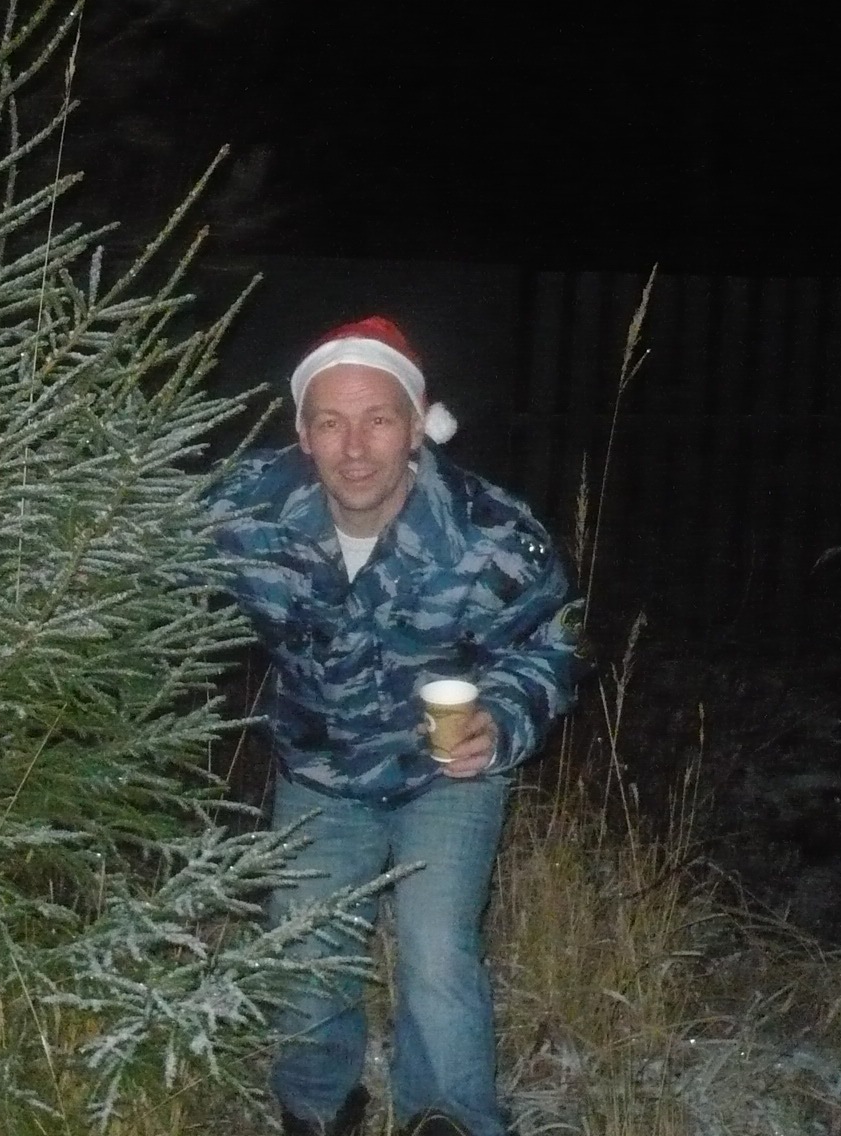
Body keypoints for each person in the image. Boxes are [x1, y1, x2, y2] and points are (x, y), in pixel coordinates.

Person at [207, 316, 580, 1136]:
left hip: (446, 773)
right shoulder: (247, 510)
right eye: (330, 422)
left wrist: (501, 719)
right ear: (302, 434)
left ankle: (447, 1116)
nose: (354, 448)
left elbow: (550, 647)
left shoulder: (492, 533)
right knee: (303, 946)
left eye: (378, 419)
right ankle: (317, 1107)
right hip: (318, 769)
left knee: (437, 949)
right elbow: (131, 555)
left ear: (418, 426)